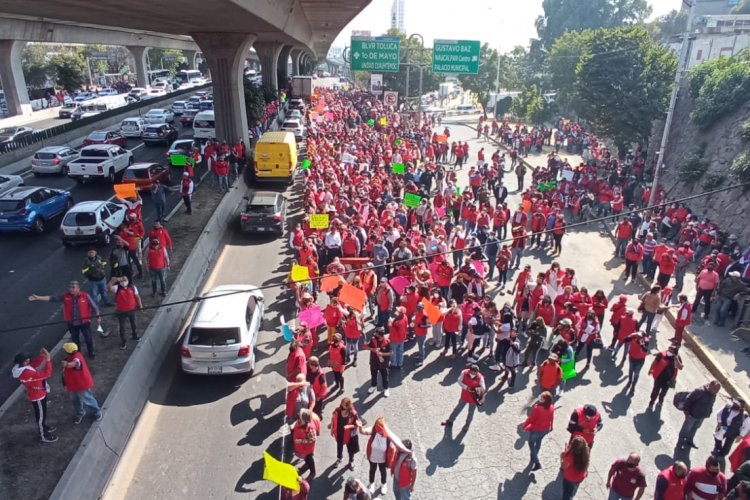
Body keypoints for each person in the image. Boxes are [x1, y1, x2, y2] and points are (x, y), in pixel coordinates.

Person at [28, 281, 100, 358]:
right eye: (70, 287)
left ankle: (91, 352)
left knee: (88, 338)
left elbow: (94, 307)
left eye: (73, 287)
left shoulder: (85, 296)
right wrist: (38, 297)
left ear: (78, 288)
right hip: (72, 323)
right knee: (75, 340)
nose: (71, 289)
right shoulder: (65, 296)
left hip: (84, 322)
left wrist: (98, 317)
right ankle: (77, 355)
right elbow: (52, 298)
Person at [11, 348, 57, 442]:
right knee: (40, 416)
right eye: (27, 359)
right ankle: (43, 435)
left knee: (42, 413)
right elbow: (46, 374)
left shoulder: (22, 368)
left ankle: (44, 427)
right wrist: (48, 361)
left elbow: (33, 365)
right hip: (37, 396)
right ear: (23, 362)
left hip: (39, 393)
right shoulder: (26, 373)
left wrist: (41, 356)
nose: (29, 360)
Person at [361, 417, 408, 496]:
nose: (378, 429)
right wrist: (359, 426)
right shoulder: (373, 430)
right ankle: (371, 484)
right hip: (372, 457)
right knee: (372, 470)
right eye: (377, 426)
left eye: (380, 427)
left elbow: (397, 442)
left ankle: (383, 485)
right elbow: (362, 431)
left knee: (383, 472)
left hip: (382, 459)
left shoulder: (388, 435)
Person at [61, 342, 102, 424]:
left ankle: (97, 412)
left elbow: (75, 363)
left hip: (81, 385)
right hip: (73, 385)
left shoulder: (76, 358)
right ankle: (80, 413)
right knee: (75, 400)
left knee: (88, 399)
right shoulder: (75, 355)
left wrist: (67, 364)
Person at [678, 380, 721, 450]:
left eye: (718, 390)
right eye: (715, 389)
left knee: (694, 428)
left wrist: (709, 412)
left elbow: (711, 404)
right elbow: (689, 399)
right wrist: (686, 411)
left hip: (701, 417)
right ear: (710, 385)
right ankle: (680, 443)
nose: (716, 391)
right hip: (692, 415)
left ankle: (689, 441)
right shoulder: (700, 391)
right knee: (685, 430)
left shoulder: (713, 395)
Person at [108, 275, 143, 349]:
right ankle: (123, 342)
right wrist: (112, 281)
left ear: (128, 280)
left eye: (125, 280)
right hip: (121, 311)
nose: (123, 282)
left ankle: (135, 336)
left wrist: (140, 306)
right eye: (121, 281)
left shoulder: (132, 287)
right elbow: (109, 288)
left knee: (133, 324)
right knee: (122, 327)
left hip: (132, 310)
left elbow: (137, 297)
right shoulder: (117, 288)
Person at [522, 391, 555, 471]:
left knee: (531, 443)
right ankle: (534, 456)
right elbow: (552, 418)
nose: (540, 398)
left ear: (545, 400)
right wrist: (551, 426)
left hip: (536, 429)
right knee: (539, 441)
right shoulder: (551, 407)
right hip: (545, 429)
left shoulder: (537, 408)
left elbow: (531, 419)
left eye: (542, 398)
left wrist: (524, 426)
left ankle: (536, 461)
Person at [647, 344, 683, 411]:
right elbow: (654, 362)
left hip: (668, 380)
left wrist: (676, 359)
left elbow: (680, 367)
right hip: (659, 377)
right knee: (655, 391)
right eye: (669, 348)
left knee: (663, 393)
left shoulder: (677, 358)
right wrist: (650, 369)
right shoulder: (662, 354)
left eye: (672, 350)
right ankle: (651, 403)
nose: (669, 350)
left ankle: (660, 401)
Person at [330, 397, 361, 470]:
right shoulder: (338, 410)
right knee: (339, 446)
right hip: (339, 432)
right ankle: (339, 458)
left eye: (343, 405)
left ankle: (351, 461)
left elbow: (358, 424)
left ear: (348, 406)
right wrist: (332, 430)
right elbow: (333, 418)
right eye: (341, 403)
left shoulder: (353, 413)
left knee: (351, 449)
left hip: (349, 435)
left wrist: (349, 426)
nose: (341, 405)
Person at [291, 408, 321, 480]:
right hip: (301, 447)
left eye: (300, 415)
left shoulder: (310, 429)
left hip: (307, 449)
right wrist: (293, 425)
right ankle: (307, 465)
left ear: (304, 419)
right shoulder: (301, 421)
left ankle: (313, 472)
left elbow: (313, 440)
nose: (299, 415)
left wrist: (301, 441)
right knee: (306, 458)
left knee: (309, 458)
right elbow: (297, 422)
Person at [365, 328, 391, 397]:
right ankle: (373, 385)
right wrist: (372, 349)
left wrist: (382, 354)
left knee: (385, 376)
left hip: (383, 363)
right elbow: (366, 347)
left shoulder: (387, 342)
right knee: (373, 375)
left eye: (377, 334)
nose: (375, 335)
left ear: (381, 335)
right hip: (373, 361)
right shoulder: (373, 339)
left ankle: (386, 388)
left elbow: (391, 353)